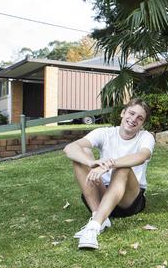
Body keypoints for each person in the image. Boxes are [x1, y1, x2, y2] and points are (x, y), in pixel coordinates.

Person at [63, 98, 155, 250]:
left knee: (123, 167)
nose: (133, 120)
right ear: (122, 113)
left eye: (140, 118)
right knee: (82, 153)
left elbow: (141, 156)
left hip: (129, 200)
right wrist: (91, 163)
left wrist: (108, 165)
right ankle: (98, 216)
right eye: (131, 113)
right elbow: (70, 148)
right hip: (101, 195)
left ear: (143, 124)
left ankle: (94, 227)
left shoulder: (145, 137)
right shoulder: (105, 133)